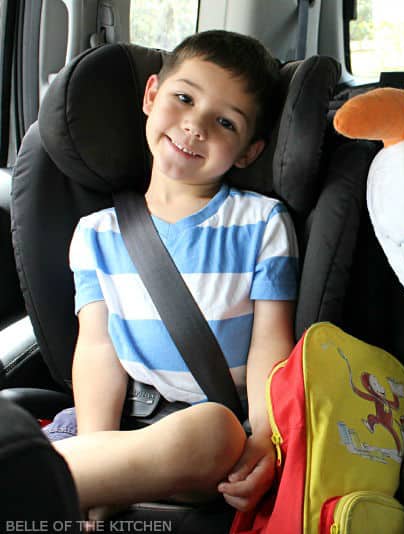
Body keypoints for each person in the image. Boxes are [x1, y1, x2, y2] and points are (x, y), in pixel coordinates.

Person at [44, 30, 297, 515]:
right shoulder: (97, 233)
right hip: (117, 422)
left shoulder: (263, 223)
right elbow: (98, 348)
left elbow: (271, 342)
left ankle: (57, 482)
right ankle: (89, 481)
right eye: (184, 98)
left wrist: (266, 436)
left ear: (247, 151)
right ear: (152, 94)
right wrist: (101, 447)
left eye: (224, 122)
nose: (195, 126)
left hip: (211, 437)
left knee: (214, 432)